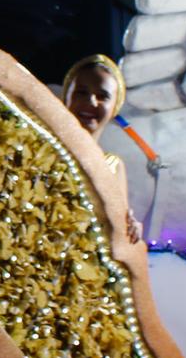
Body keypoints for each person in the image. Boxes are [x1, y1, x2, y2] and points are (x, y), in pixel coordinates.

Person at [62, 54, 145, 245]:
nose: (91, 102)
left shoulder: (113, 166)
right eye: (81, 92)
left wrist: (131, 228)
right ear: (65, 96)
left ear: (115, 106)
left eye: (103, 96)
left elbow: (119, 226)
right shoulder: (42, 151)